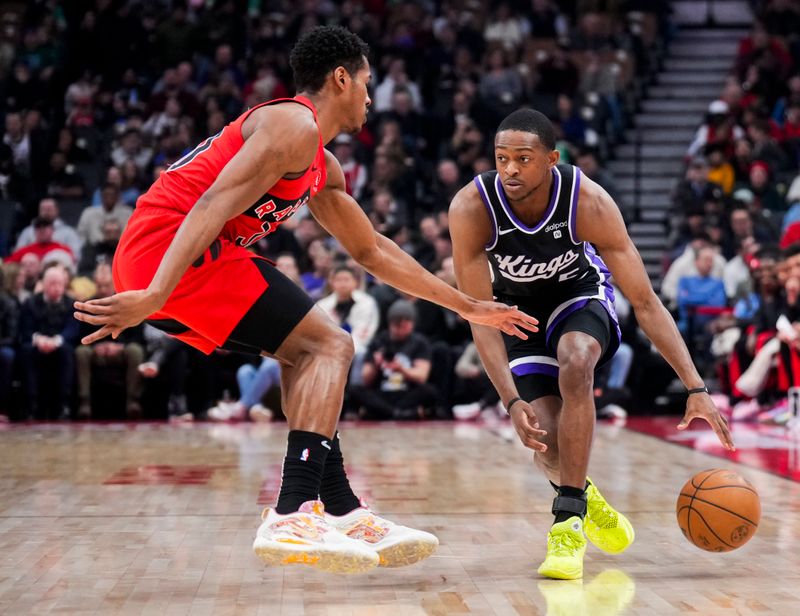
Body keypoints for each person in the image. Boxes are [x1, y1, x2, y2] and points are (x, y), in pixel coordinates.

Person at [74, 26, 537, 575]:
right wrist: (153, 293)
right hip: (169, 249)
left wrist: (466, 306)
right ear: (341, 77)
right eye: (367, 82)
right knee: (331, 345)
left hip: (179, 256)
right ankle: (293, 509)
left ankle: (338, 507)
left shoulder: (321, 163)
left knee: (307, 352)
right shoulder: (293, 123)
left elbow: (371, 250)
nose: (371, 96)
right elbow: (212, 204)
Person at [448, 109, 734, 580]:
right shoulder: (471, 208)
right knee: (543, 437)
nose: (511, 169)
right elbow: (479, 316)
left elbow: (644, 301)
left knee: (576, 361)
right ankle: (586, 497)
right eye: (502, 159)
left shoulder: (588, 201)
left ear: (551, 159)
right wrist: (510, 400)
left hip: (579, 297)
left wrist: (695, 386)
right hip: (514, 312)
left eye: (523, 158)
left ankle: (566, 523)